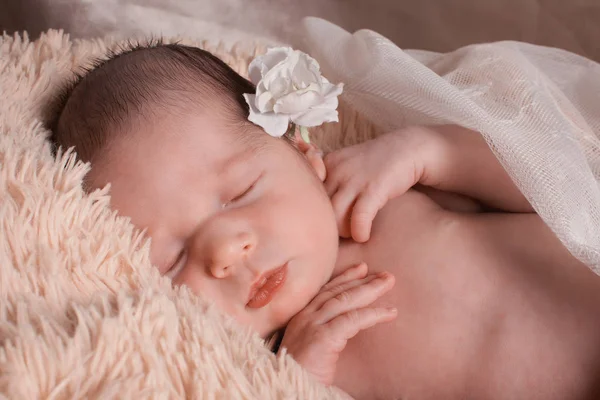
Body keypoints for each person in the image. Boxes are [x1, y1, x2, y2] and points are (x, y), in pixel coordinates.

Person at [50, 42, 600, 399]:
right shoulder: (283, 360)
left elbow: (559, 188)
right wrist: (299, 379)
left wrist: (434, 152)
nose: (226, 251)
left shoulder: (380, 196)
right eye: (173, 260)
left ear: (302, 152)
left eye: (239, 195)